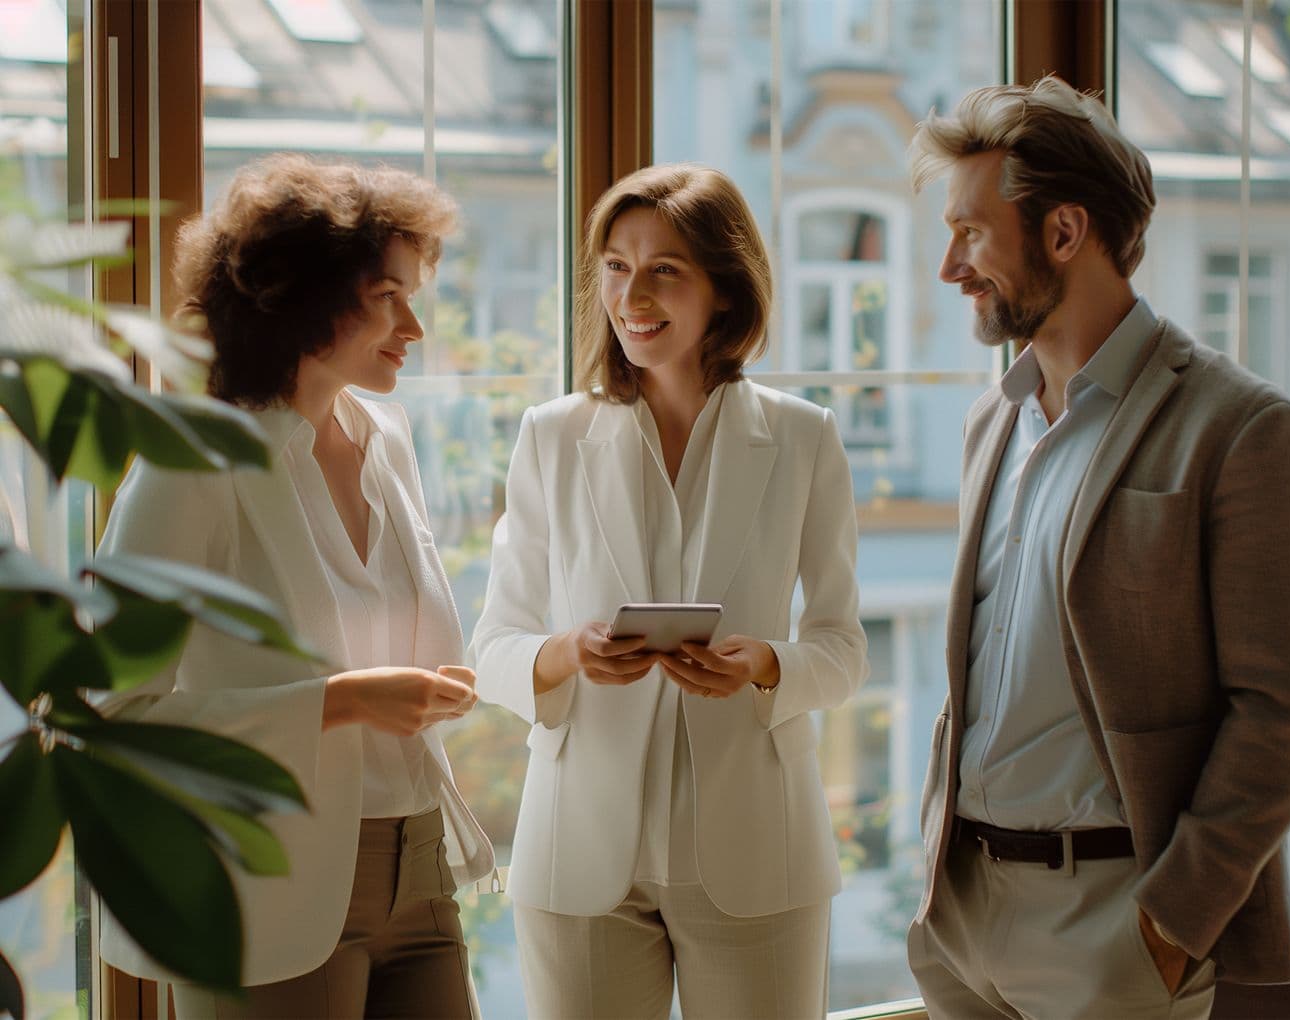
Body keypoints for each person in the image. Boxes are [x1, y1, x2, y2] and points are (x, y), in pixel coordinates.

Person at [905, 75, 1290, 1019]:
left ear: (1065, 231)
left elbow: (1282, 716)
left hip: (1114, 927)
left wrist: (1174, 919)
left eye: (970, 232)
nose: (949, 267)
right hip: (960, 915)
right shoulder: (992, 421)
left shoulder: (1243, 429)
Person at [98, 153, 494, 1019]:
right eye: (388, 297)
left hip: (421, 867)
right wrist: (338, 703)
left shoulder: (386, 439)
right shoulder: (192, 462)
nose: (414, 327)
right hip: (262, 884)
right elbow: (112, 712)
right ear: (305, 300)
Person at [470, 163, 869, 1019]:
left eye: (664, 269)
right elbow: (492, 646)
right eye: (616, 266)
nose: (632, 295)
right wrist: (564, 654)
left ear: (724, 288)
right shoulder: (551, 436)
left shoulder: (804, 438)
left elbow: (843, 650)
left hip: (761, 850)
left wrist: (766, 665)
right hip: (578, 853)